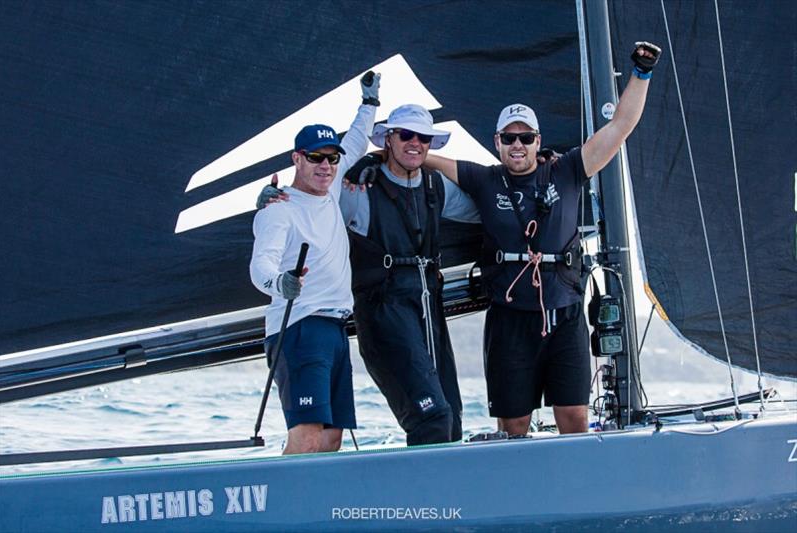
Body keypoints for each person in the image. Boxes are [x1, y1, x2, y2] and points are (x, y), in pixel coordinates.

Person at [376, 42, 662, 437]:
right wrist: (369, 159)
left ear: (537, 142)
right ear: (496, 142)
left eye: (525, 138)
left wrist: (642, 74)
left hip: (563, 315)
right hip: (509, 321)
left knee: (575, 420)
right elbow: (418, 155)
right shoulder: (484, 178)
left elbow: (619, 127)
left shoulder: (567, 170)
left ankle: (575, 494)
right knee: (513, 426)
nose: (517, 146)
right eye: (508, 139)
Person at [248, 73, 378, 454]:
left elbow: (355, 140)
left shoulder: (332, 185)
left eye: (331, 158)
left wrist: (369, 104)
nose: (326, 166)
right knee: (307, 435)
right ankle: (282, 510)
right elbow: (261, 266)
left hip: (335, 328)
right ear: (297, 159)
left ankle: (316, 511)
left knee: (331, 438)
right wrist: (280, 283)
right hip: (299, 327)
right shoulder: (278, 209)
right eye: (316, 158)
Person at [340, 104, 480, 446]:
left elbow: (492, 204)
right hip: (383, 311)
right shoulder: (358, 189)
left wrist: (540, 178)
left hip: (428, 308)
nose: (415, 142)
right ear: (388, 139)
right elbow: (312, 205)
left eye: (423, 137)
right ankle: (426, 501)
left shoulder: (436, 186)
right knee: (432, 419)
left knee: (452, 419)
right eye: (405, 135)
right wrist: (273, 201)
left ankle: (453, 499)